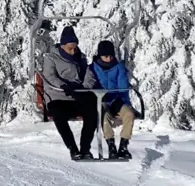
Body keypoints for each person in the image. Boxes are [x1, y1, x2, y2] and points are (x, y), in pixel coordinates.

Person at [41, 26, 99, 161]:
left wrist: (84, 88)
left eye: (74, 48)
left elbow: (88, 75)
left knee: (92, 114)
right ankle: (73, 148)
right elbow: (49, 76)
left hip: (77, 96)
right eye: (70, 48)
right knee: (58, 115)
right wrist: (64, 86)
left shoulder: (80, 58)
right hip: (58, 96)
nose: (73, 51)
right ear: (62, 46)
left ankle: (85, 149)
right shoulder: (52, 58)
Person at [90, 40, 134, 160]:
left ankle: (123, 146)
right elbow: (89, 84)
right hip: (101, 100)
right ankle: (111, 146)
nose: (109, 59)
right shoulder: (93, 68)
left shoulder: (118, 67)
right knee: (104, 117)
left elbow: (123, 88)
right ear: (100, 56)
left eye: (111, 56)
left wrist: (124, 102)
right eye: (106, 56)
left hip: (116, 99)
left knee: (129, 114)